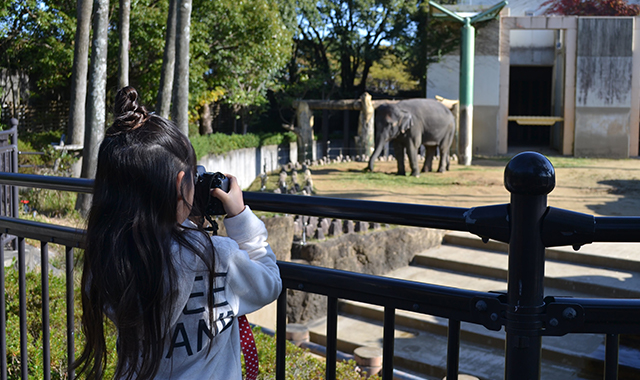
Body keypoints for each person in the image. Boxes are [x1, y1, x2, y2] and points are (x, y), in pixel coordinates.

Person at [74, 86, 282, 380]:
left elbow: (163, 253)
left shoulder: (108, 255)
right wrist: (240, 218)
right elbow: (269, 283)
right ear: (181, 183)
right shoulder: (215, 258)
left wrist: (182, 221)